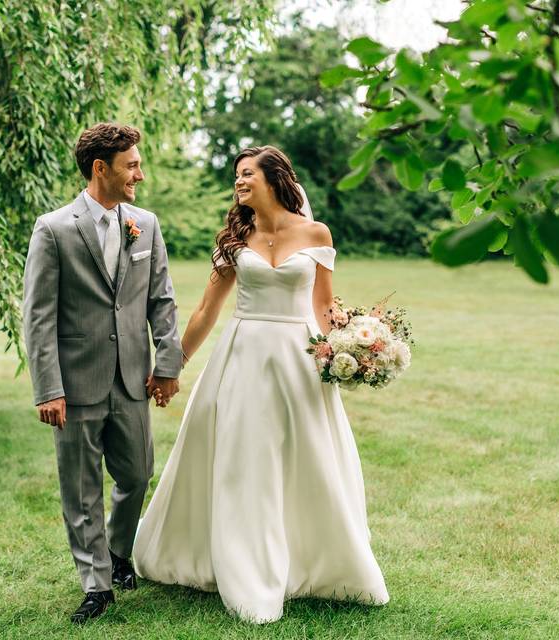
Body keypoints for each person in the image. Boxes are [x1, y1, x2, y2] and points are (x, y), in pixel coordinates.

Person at [134, 145, 390, 623]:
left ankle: (315, 560)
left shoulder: (315, 233)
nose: (239, 181)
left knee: (304, 457)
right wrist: (174, 365)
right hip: (243, 356)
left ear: (274, 178)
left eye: (247, 173)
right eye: (237, 175)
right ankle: (241, 562)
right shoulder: (236, 238)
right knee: (241, 458)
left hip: (298, 358)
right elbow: (207, 311)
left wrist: (358, 344)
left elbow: (323, 306)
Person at [22, 122, 183, 624]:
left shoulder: (146, 225)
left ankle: (117, 552)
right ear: (101, 169)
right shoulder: (54, 229)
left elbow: (161, 299)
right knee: (82, 487)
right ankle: (97, 585)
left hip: (132, 377)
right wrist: (48, 387)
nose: (140, 173)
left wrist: (168, 363)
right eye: (131, 165)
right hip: (75, 383)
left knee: (136, 474)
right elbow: (39, 314)